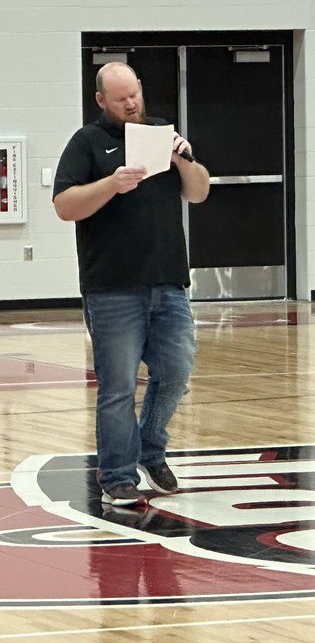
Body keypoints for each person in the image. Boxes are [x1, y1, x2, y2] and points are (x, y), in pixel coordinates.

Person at [52, 62, 211, 507]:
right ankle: (118, 474)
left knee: (176, 373)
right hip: (113, 288)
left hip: (169, 283)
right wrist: (110, 184)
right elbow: (65, 205)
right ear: (102, 100)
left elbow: (198, 192)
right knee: (119, 384)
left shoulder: (162, 132)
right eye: (120, 98)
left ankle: (150, 446)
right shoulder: (88, 142)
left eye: (135, 93)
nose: (131, 103)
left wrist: (184, 157)